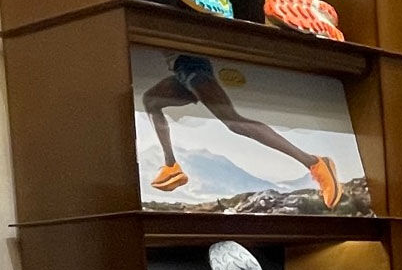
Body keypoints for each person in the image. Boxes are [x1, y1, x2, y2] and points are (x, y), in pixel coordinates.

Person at [142, 54, 342, 208]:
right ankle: (171, 167)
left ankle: (314, 163)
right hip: (182, 70)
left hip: (192, 66)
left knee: (234, 122)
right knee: (150, 101)